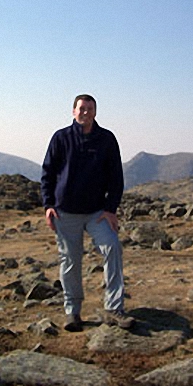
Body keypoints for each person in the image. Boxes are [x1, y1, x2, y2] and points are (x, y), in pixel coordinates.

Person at [41, 94, 135, 332]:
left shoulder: (106, 139)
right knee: (70, 261)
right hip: (65, 212)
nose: (85, 112)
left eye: (90, 109)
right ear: (73, 111)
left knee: (112, 247)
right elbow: (48, 172)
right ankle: (72, 312)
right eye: (81, 108)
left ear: (95, 112)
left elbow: (116, 177)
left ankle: (114, 309)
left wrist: (111, 209)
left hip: (96, 212)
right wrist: (48, 205)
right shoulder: (61, 138)